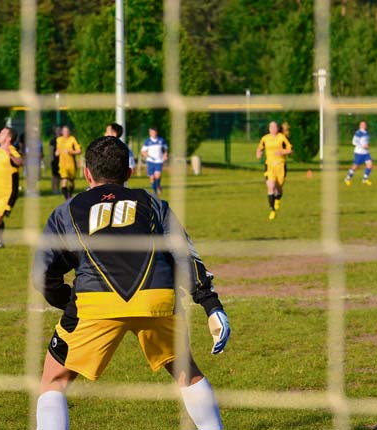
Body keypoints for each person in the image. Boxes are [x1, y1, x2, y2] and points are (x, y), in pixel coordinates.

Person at [33, 136, 230, 430]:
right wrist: (211, 304)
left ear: (86, 173)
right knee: (185, 371)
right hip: (157, 295)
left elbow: (44, 272)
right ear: (129, 172)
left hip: (95, 302)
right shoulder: (153, 204)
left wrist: (66, 300)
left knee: (54, 380)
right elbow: (184, 254)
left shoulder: (67, 210)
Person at [256, 121, 292, 220]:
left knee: (278, 187)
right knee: (270, 187)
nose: (272, 128)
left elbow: (290, 149)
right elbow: (259, 148)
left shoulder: (282, 137)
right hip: (269, 166)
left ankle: (277, 199)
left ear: (277, 128)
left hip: (280, 166)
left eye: (274, 126)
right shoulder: (265, 138)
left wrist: (282, 151)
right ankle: (272, 210)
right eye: (270, 126)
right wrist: (258, 153)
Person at [55, 125, 81, 200]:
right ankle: (67, 198)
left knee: (71, 182)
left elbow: (79, 151)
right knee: (64, 180)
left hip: (71, 164)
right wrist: (57, 152)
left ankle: (70, 193)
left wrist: (71, 152)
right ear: (62, 132)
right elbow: (58, 149)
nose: (66, 133)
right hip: (62, 164)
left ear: (69, 132)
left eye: (67, 131)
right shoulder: (59, 140)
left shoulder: (72, 139)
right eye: (64, 131)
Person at [344, 120, 373, 187]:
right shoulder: (358, 133)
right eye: (362, 124)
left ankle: (365, 179)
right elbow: (354, 142)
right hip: (359, 153)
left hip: (366, 153)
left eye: (364, 124)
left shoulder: (367, 133)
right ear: (360, 125)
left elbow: (365, 142)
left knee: (370, 165)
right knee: (355, 166)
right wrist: (363, 146)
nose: (363, 125)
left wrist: (367, 146)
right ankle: (347, 178)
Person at [141, 126, 168, 195]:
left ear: (156, 132)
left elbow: (165, 149)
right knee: (152, 177)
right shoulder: (147, 141)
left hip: (159, 160)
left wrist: (165, 155)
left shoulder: (161, 140)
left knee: (157, 176)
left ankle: (158, 185)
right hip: (150, 161)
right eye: (151, 132)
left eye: (153, 132)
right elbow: (143, 151)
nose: (152, 133)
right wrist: (145, 154)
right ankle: (155, 192)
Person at [48, 127, 61, 194]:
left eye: (59, 130)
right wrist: (52, 160)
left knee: (59, 175)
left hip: (61, 161)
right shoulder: (53, 141)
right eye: (57, 130)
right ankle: (53, 189)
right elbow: (51, 152)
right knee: (54, 175)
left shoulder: (62, 140)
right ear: (55, 132)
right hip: (54, 160)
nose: (58, 132)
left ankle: (58, 189)